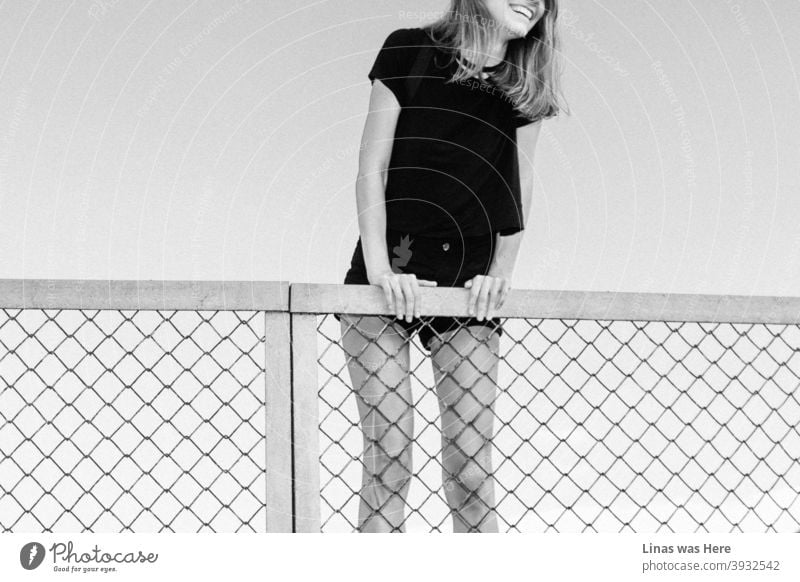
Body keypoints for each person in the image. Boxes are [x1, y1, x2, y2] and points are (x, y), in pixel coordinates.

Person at [335, 0, 567, 532]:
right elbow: (372, 166)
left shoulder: (524, 84)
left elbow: (520, 186)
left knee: (471, 472)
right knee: (388, 458)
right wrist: (378, 271)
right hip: (387, 273)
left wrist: (502, 269)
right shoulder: (409, 50)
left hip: (470, 287)